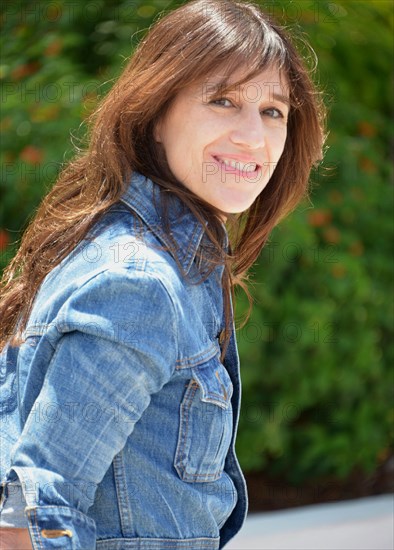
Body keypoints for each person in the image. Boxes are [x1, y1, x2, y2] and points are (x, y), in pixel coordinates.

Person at [0, 0, 325, 548]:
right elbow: (30, 512)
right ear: (154, 117)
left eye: (273, 111)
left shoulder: (165, 257)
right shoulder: (139, 283)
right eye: (222, 101)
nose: (254, 137)